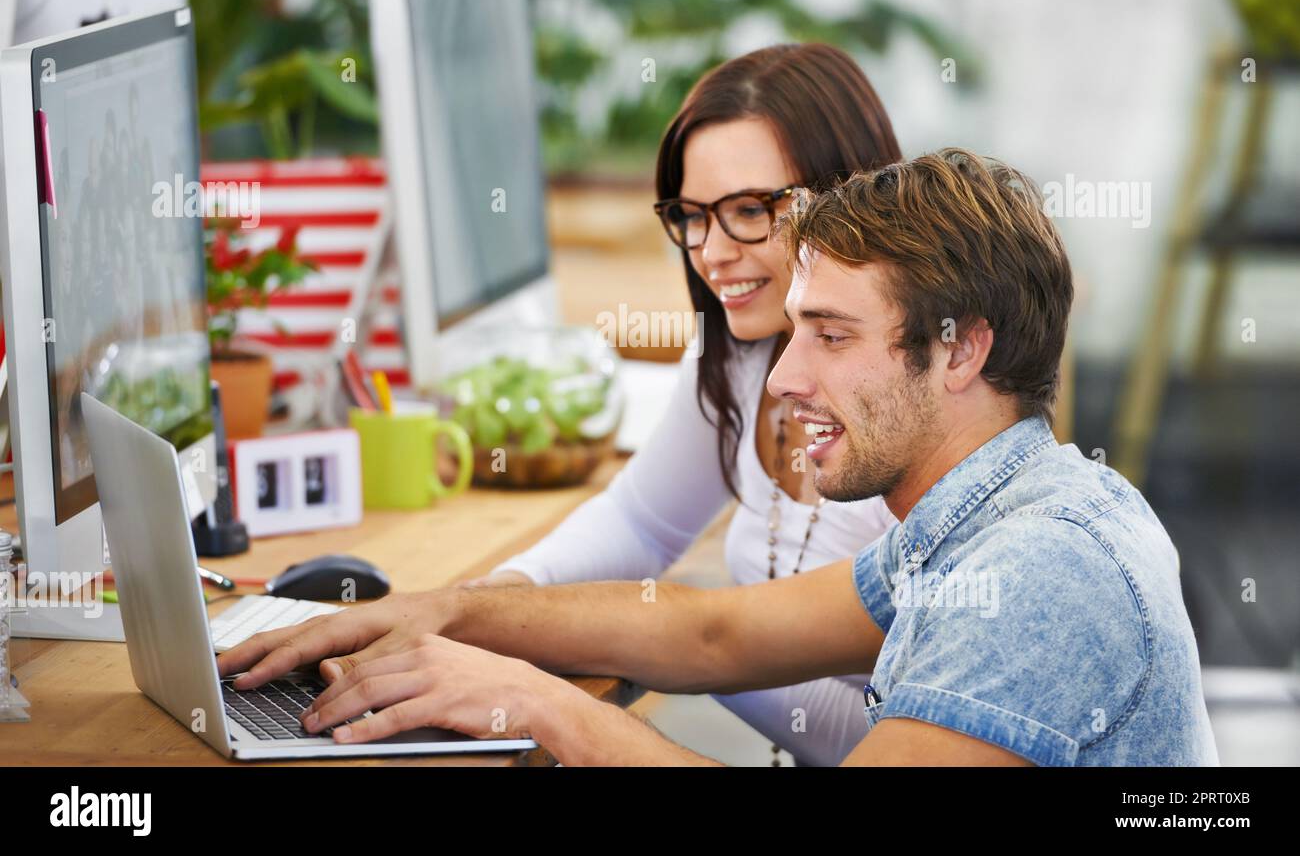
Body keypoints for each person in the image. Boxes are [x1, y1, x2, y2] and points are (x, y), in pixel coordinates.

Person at [220, 149, 1219, 766]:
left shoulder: (1038, 569)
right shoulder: (982, 519)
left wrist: (530, 701)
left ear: (959, 347)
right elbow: (715, 636)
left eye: (829, 336)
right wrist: (445, 611)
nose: (783, 380)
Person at [465, 43, 901, 765]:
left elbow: (905, 738)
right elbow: (642, 518)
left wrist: (681, 643)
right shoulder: (738, 348)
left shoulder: (908, 397)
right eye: (693, 215)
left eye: (748, 211)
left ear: (848, 192)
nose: (710, 250)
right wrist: (506, 595)